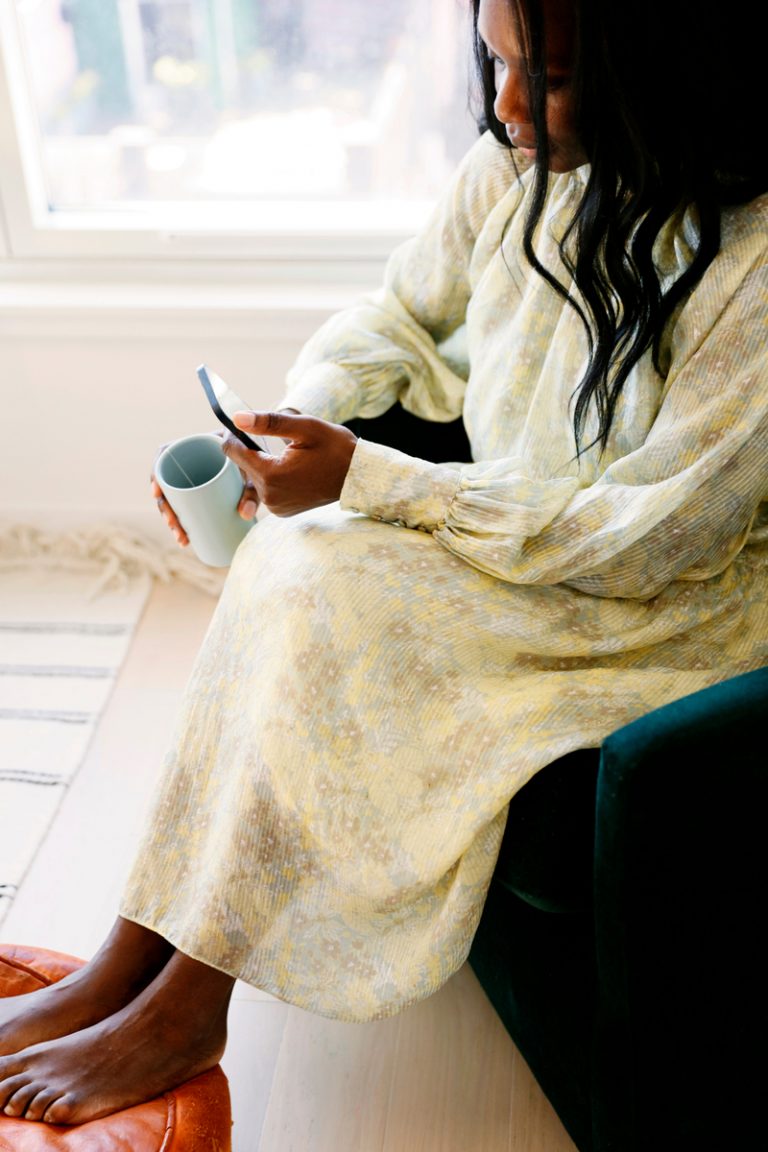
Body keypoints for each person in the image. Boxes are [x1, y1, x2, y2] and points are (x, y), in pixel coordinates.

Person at [1, 0, 766, 1127]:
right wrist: (296, 427)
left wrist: (369, 479)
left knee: (335, 578)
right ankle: (131, 957)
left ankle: (188, 1002)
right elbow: (401, 314)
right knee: (302, 551)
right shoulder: (521, 166)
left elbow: (653, 536)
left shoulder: (752, 261)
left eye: (546, 77)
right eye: (496, 64)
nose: (506, 109)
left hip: (664, 612)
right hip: (525, 552)